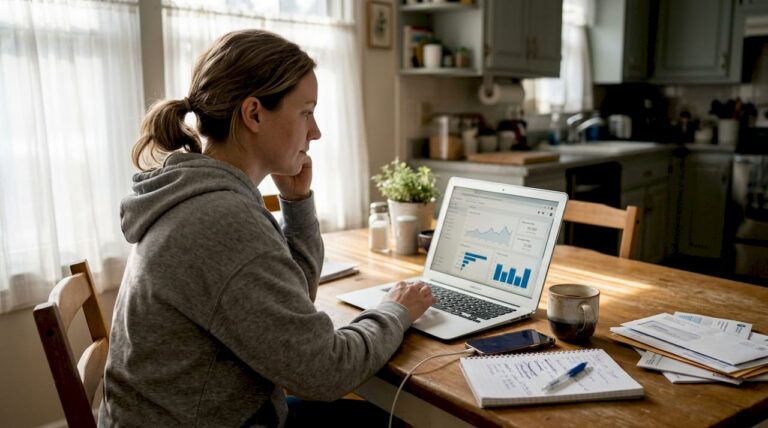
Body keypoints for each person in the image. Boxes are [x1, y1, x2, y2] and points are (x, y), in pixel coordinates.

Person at [99, 29, 435, 427]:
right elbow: (326, 372)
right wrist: (396, 310)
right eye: (306, 112)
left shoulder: (197, 191)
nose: (316, 132)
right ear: (254, 113)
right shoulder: (221, 219)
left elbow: (293, 301)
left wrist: (297, 204)